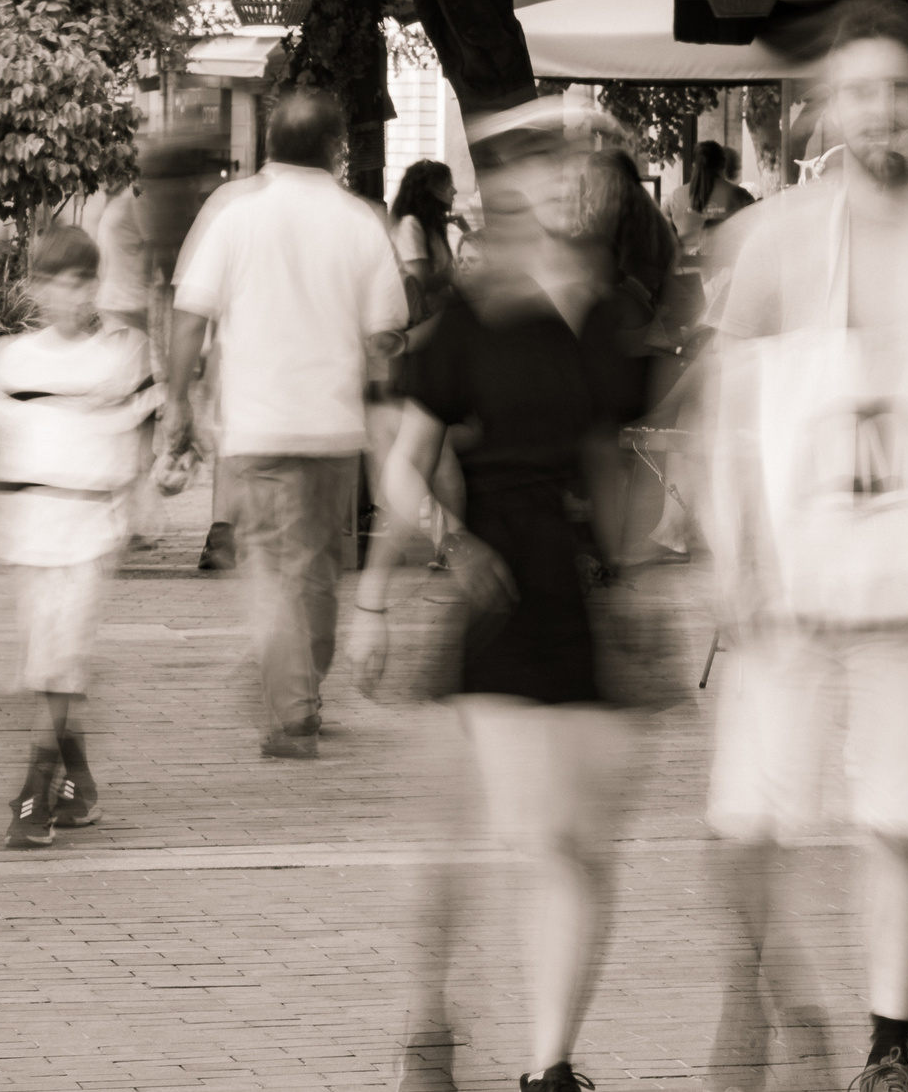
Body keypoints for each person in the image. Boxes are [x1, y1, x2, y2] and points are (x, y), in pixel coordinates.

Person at [349, 101, 653, 1092]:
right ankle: (439, 1022)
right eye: (560, 167)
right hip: (494, 592)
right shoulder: (467, 325)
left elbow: (617, 459)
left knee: (571, 843)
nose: (580, 184)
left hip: (585, 597)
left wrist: (643, 573)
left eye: (597, 169)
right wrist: (423, 565)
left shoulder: (616, 318)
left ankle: (547, 1061)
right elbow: (403, 472)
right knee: (505, 840)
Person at [697, 0, 908, 1092]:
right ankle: (770, 991)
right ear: (825, 110)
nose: (884, 109)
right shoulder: (772, 237)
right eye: (861, 88)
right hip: (789, 583)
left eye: (902, 87)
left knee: (903, 820)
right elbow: (723, 411)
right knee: (747, 820)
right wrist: (737, 563)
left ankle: (887, 1045)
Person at [165, 90, 408, 760]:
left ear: (270, 142)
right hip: (333, 429)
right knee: (320, 568)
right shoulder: (361, 222)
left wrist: (178, 402)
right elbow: (388, 331)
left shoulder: (237, 215)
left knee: (271, 569)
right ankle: (301, 684)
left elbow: (190, 315)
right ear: (337, 149)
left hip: (258, 427)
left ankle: (294, 703)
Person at [0, 225, 154, 851]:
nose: (68, 295)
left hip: (90, 528)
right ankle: (82, 787)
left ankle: (35, 792)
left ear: (93, 286)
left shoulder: (121, 355)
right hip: (28, 528)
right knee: (48, 662)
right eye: (54, 282)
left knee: (59, 657)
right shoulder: (10, 358)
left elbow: (139, 432)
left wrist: (144, 491)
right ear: (35, 286)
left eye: (79, 282)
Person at [390, 159, 459, 325]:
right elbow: (418, 283)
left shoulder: (431, 226)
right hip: (426, 323)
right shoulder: (410, 225)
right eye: (447, 185)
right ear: (429, 191)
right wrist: (455, 277)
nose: (454, 191)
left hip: (441, 316)